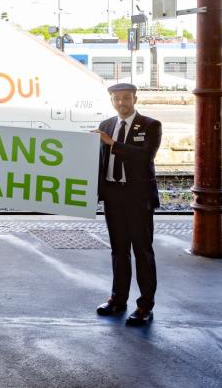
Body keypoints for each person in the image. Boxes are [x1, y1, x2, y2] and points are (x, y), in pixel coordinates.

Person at [93, 83, 162, 327]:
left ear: (135, 98)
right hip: (113, 196)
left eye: (126, 98)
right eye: (116, 98)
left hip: (138, 198)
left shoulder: (151, 125)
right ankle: (118, 299)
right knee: (118, 251)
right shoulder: (106, 125)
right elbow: (98, 162)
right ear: (111, 100)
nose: (121, 102)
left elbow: (145, 156)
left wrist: (112, 144)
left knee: (142, 251)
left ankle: (144, 306)